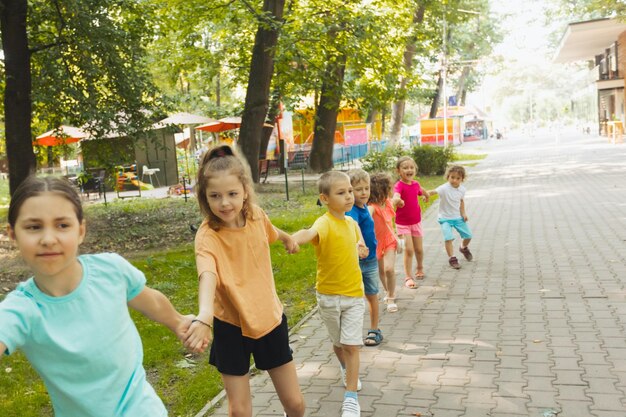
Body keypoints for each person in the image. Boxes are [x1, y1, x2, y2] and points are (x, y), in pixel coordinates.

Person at [0, 176, 200, 417]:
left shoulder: (111, 270)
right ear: (12, 234)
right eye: (34, 227)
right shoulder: (20, 310)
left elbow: (150, 300)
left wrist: (178, 322)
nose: (49, 239)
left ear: (81, 230)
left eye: (62, 225)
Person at [183, 145, 305, 417]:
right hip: (230, 327)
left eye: (232, 194)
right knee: (239, 411)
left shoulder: (256, 216)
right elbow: (207, 274)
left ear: (245, 192)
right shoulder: (207, 236)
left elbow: (271, 232)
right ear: (204, 197)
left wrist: (287, 239)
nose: (224, 203)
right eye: (215, 196)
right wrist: (204, 316)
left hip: (269, 319)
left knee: (296, 405)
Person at [292, 170, 367, 417]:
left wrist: (362, 249)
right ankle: (346, 368)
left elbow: (359, 244)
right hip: (328, 296)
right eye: (341, 193)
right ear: (325, 199)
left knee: (351, 344)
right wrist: (294, 239)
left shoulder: (353, 223)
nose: (349, 196)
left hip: (354, 295)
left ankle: (351, 396)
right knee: (338, 344)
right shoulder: (324, 222)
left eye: (349, 191)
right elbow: (308, 234)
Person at [346, 169, 382, 346]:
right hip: (355, 262)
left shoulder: (364, 207)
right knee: (353, 299)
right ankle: (350, 334)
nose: (364, 193)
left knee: (372, 295)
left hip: (371, 260)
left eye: (366, 188)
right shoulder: (351, 210)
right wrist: (360, 241)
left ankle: (374, 330)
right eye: (358, 189)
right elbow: (352, 224)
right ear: (350, 191)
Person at [392, 156, 429, 289]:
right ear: (398, 171)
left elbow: (421, 190)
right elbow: (396, 194)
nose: (409, 170)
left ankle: (419, 266)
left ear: (415, 169)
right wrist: (396, 199)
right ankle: (408, 277)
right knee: (409, 249)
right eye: (405, 168)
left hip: (416, 222)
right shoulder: (399, 186)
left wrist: (426, 195)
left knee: (419, 249)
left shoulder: (415, 184)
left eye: (411, 167)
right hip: (402, 223)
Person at [427, 165, 473, 269]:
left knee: (468, 236)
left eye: (458, 178)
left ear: (462, 179)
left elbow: (461, 201)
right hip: (445, 218)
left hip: (457, 217)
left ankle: (463, 247)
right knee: (448, 238)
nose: (454, 180)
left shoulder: (462, 190)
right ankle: (452, 258)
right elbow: (433, 192)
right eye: (452, 177)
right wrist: (423, 194)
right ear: (448, 177)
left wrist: (463, 213)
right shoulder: (444, 188)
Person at [368, 172, 399, 313]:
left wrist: (400, 201)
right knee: (381, 271)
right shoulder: (371, 207)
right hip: (375, 243)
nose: (390, 191)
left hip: (389, 241)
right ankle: (388, 291)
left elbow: (396, 202)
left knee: (389, 269)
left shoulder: (387, 202)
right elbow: (366, 216)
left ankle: (391, 297)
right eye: (387, 188)